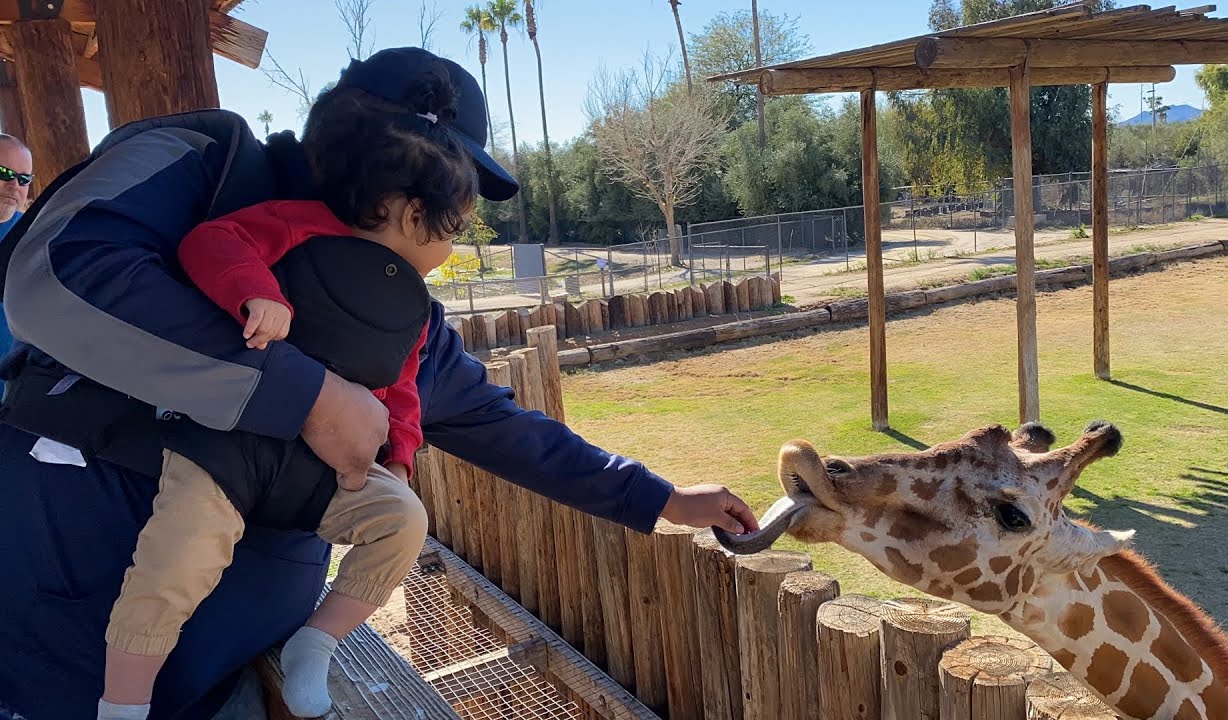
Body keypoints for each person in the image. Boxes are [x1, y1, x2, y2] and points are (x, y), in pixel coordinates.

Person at [0, 48, 757, 720]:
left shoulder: (400, 315)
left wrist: (657, 497)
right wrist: (306, 395)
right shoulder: (204, 162)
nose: (443, 220)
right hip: (51, 666)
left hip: (233, 672)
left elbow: (503, 426)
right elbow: (56, 279)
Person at [97, 62, 480, 720]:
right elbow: (216, 240)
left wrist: (398, 461)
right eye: (450, 228)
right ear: (407, 210)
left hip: (318, 470)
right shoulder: (301, 223)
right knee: (176, 559)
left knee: (404, 521)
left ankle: (318, 641)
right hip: (227, 444)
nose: (450, 245)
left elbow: (403, 388)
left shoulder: (413, 305)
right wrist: (256, 292)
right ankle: (123, 702)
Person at [0, 133, 32, 366]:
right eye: (4, 174)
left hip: (16, 390)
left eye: (24, 179)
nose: (14, 185)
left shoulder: (36, 234)